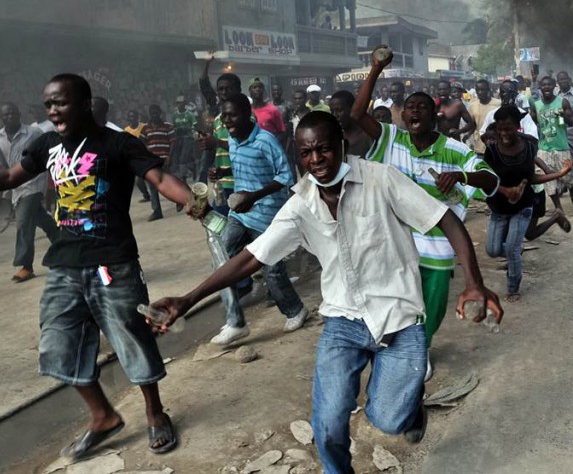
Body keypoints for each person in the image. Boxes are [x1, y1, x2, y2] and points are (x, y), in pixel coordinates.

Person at [148, 111, 503, 474]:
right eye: (306, 152)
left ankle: (409, 410)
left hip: (400, 318)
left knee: (388, 420)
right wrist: (187, 299)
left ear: (342, 147)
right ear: (298, 155)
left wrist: (474, 282)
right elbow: (250, 258)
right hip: (343, 321)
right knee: (328, 426)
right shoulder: (300, 205)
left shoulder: (381, 179)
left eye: (324, 149)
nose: (316, 160)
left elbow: (445, 219)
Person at [0, 74, 197, 458]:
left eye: (61, 103)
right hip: (65, 265)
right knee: (57, 343)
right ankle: (102, 416)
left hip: (111, 264)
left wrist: (193, 202)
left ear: (84, 104)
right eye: (48, 104)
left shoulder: (117, 143)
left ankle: (155, 413)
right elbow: (7, 176)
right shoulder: (47, 144)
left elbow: (160, 177)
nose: (53, 111)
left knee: (132, 337)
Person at [352, 48, 499, 379]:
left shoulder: (455, 151)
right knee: (393, 303)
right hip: (395, 244)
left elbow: (490, 179)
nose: (414, 112)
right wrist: (375, 69)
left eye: (422, 108)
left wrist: (461, 176)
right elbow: (358, 115)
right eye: (409, 108)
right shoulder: (391, 139)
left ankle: (422, 348)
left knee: (429, 310)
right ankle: (396, 349)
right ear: (403, 116)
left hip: (438, 249)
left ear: (435, 116)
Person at [209, 94, 309, 345]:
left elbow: (285, 176)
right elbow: (241, 164)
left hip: (266, 215)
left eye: (232, 115)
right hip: (239, 214)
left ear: (248, 115)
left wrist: (254, 196)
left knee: (272, 270)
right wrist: (222, 171)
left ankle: (295, 310)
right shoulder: (233, 140)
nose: (228, 121)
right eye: (224, 116)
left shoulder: (266, 141)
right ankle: (235, 322)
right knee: (222, 259)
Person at [484, 105, 572, 301]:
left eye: (508, 128)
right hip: (498, 207)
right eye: (500, 129)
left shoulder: (529, 146)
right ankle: (555, 217)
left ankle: (513, 288)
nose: (503, 133)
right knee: (492, 250)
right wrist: (504, 190)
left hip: (523, 206)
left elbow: (531, 177)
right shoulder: (491, 151)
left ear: (517, 126)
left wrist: (558, 174)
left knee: (513, 248)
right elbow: (486, 181)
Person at [0, 102, 58, 281]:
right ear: (0, 118)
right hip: (15, 185)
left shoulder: (33, 133)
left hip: (34, 181)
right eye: (6, 115)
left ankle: (26, 266)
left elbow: (50, 153)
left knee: (23, 221)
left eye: (13, 114)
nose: (10, 117)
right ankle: (68, 246)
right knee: (43, 219)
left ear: (19, 115)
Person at [530, 75, 573, 210]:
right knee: (546, 178)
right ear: (540, 87)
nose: (546, 87)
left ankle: (572, 188)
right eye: (543, 85)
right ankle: (558, 207)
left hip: (561, 146)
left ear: (554, 86)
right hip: (544, 147)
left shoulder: (562, 102)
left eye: (549, 85)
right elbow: (533, 123)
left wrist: (563, 116)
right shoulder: (536, 105)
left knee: (566, 174)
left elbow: (572, 122)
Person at [199, 57, 240, 213]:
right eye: (220, 90)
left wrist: (215, 142)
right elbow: (203, 84)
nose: (224, 93)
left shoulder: (245, 117)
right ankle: (198, 200)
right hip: (223, 181)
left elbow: (245, 148)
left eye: (228, 89)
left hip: (240, 182)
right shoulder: (216, 114)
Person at [141, 104, 176, 221]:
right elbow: (142, 144)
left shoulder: (168, 126)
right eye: (152, 113)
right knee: (152, 186)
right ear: (149, 115)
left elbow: (173, 143)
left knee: (168, 184)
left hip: (164, 159)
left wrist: (169, 157)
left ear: (160, 113)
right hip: (151, 161)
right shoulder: (145, 128)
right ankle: (157, 211)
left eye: (156, 113)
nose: (154, 115)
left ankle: (178, 200)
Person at [330, 90, 374, 159]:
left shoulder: (368, 135)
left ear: (352, 108)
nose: (335, 115)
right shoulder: (334, 137)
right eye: (332, 111)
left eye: (339, 110)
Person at [123, 111, 152, 204]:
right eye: (130, 117)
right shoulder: (126, 130)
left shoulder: (144, 126)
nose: (132, 119)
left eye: (133, 117)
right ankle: (146, 195)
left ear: (137, 117)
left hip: (146, 155)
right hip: (136, 158)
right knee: (139, 181)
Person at [248, 78, 288, 143]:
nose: (257, 89)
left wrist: (272, 143)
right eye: (254, 87)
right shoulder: (246, 110)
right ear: (250, 90)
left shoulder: (273, 110)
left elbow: (282, 132)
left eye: (260, 87)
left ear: (263, 90)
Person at [467, 79, 501, 155]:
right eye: (478, 90)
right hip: (479, 144)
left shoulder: (498, 104)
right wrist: (467, 134)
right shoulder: (473, 106)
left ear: (488, 90)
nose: (480, 92)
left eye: (482, 90)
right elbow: (472, 124)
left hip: (496, 144)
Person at [170, 95, 198, 185]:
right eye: (178, 103)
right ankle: (193, 168)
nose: (179, 104)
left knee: (183, 158)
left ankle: (183, 177)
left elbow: (194, 126)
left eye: (181, 102)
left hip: (187, 138)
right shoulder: (174, 115)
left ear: (185, 103)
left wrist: (188, 129)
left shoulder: (189, 114)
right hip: (178, 138)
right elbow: (172, 126)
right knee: (178, 158)